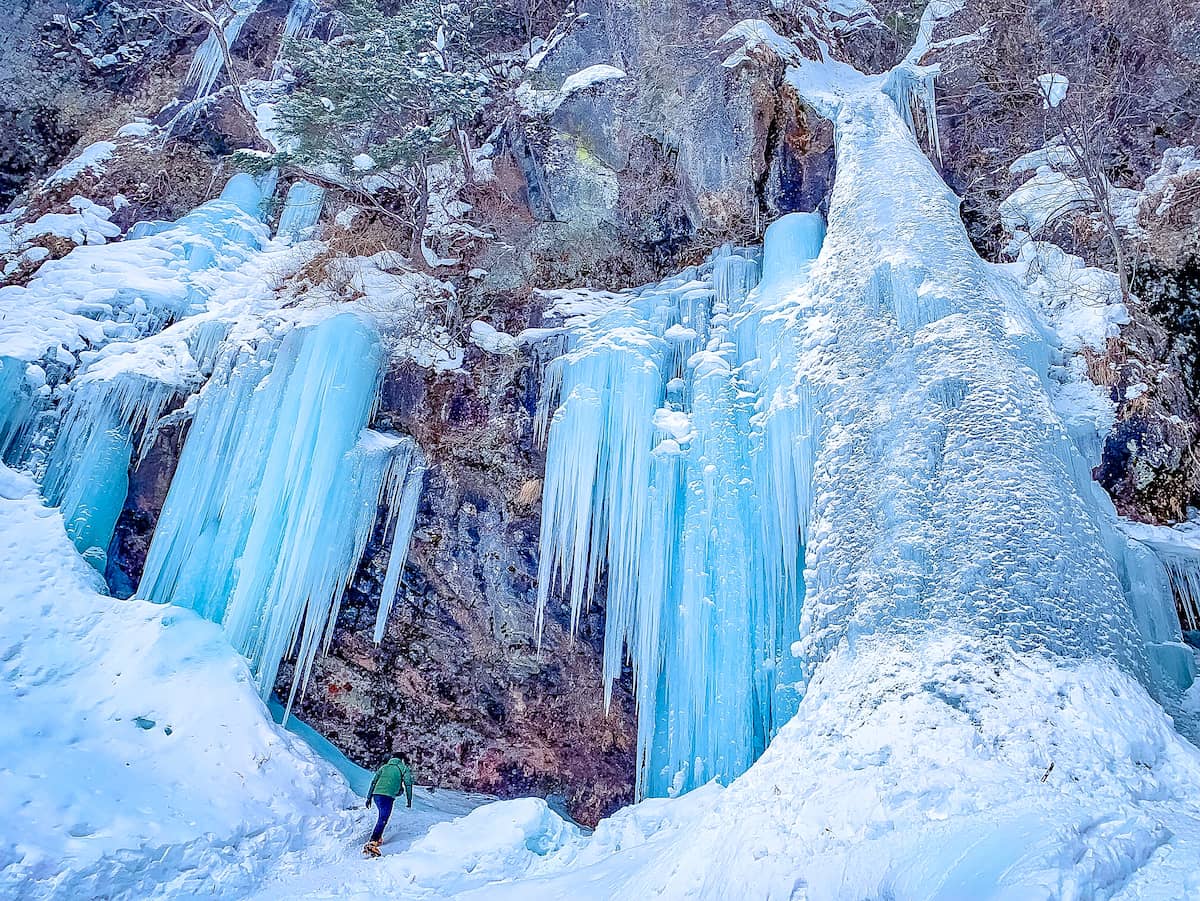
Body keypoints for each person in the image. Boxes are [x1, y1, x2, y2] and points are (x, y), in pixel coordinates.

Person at [363, 752, 415, 856]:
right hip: (387, 796)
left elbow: (374, 782)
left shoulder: (384, 767)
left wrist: (369, 797)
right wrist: (409, 800)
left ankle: (377, 838)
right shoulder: (403, 768)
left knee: (382, 816)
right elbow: (408, 784)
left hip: (376, 795)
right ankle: (373, 841)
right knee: (383, 818)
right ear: (402, 759)